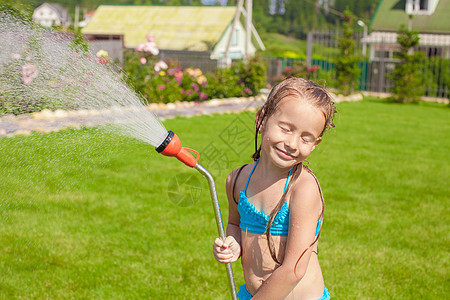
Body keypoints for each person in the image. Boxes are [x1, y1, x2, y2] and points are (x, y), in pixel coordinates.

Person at [212, 77, 336, 299]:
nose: (292, 143)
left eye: (305, 138)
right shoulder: (237, 179)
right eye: (286, 129)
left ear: (315, 144)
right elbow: (234, 224)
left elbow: (294, 270)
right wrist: (233, 243)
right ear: (262, 118)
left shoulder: (302, 189)